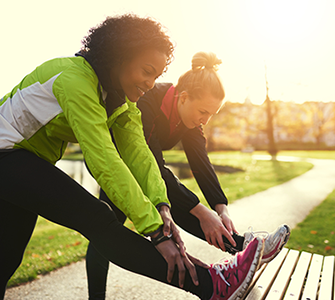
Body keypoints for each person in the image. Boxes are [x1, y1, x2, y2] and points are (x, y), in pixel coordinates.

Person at [0, 14, 271, 300]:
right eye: (147, 71)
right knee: (97, 216)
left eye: (157, 75)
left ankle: (217, 281)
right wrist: (155, 231)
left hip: (20, 162)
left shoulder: (120, 100)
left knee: (3, 262)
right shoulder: (76, 81)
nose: (151, 83)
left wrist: (162, 207)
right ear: (119, 56)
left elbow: (140, 156)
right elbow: (104, 160)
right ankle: (212, 285)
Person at [85, 52, 291, 299]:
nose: (205, 119)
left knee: (182, 207)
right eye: (203, 112)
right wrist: (201, 210)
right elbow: (151, 165)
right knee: (106, 229)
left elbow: (200, 162)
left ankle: (242, 247)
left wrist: (220, 207)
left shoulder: (190, 118)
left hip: (147, 170)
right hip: (118, 166)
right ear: (183, 98)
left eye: (211, 115)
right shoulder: (149, 101)